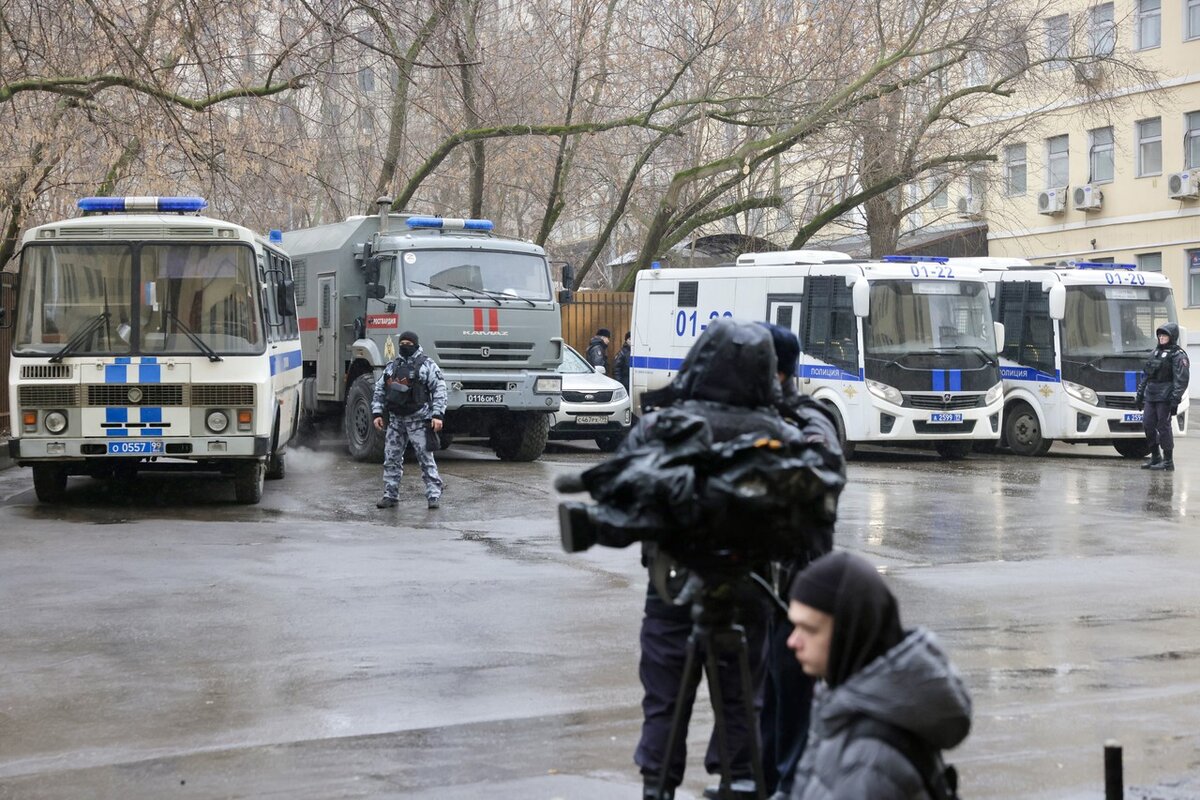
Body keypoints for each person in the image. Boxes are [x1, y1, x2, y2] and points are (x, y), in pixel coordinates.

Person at [625, 319, 843, 800]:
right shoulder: (782, 433)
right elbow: (814, 509)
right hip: (752, 594)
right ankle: (742, 783)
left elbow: (623, 498)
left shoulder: (664, 427)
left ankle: (656, 787)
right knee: (744, 706)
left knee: (664, 705)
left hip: (670, 588)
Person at [787, 552, 972, 800]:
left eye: (809, 629)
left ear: (849, 633)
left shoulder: (870, 761)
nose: (792, 641)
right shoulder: (846, 702)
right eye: (794, 626)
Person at [755, 324, 837, 800]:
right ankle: (763, 781)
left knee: (793, 693)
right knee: (767, 694)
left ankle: (790, 784)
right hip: (763, 582)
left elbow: (822, 473)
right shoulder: (758, 417)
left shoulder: (811, 418)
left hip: (801, 583)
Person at [371, 331, 447, 509]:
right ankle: (390, 495)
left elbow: (440, 390)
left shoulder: (427, 365)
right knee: (391, 458)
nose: (405, 345)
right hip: (396, 421)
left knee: (425, 458)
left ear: (415, 344)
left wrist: (437, 415)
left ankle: (433, 495)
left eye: (408, 342)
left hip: (419, 420)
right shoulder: (392, 366)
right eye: (402, 342)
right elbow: (380, 390)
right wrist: (377, 413)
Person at [1137, 322, 1189, 472]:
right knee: (1147, 424)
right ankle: (1155, 457)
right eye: (1160, 335)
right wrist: (1140, 395)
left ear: (1172, 337)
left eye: (1165, 335)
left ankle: (1168, 461)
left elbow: (1181, 379)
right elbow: (1146, 376)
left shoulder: (1178, 355)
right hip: (1151, 395)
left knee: (1163, 427)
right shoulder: (1155, 353)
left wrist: (1175, 400)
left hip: (1165, 397)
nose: (1161, 337)